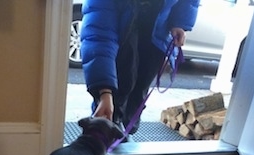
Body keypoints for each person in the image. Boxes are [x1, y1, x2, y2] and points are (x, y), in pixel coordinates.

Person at [80, 0, 200, 135]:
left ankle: (126, 131)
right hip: (120, 34)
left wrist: (179, 22)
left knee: (138, 92)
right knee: (119, 88)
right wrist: (104, 93)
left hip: (156, 34)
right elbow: (99, 37)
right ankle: (106, 131)